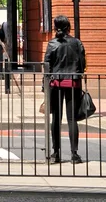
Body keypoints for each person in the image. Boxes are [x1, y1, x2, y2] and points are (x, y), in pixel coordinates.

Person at [44, 15, 85, 164]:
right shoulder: (76, 43)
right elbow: (82, 64)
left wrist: (45, 86)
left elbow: (46, 65)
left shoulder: (52, 43)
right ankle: (74, 154)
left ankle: (56, 153)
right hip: (73, 83)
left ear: (55, 28)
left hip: (56, 83)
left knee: (56, 118)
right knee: (72, 119)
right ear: (69, 27)